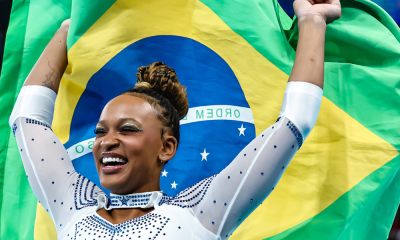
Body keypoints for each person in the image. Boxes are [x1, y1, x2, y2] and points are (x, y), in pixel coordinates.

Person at [8, 0, 341, 239]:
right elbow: (26, 119)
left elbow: (294, 122)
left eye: (127, 130)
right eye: (100, 131)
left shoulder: (202, 212)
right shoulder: (71, 206)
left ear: (167, 147)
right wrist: (77, 28)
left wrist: (313, 20)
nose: (106, 141)